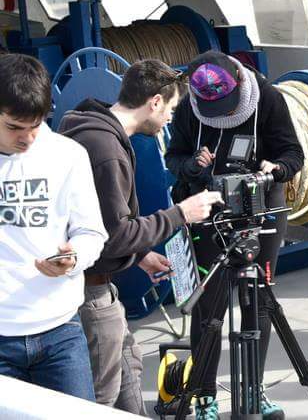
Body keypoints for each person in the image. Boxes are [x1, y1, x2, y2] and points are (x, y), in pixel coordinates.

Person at [58, 59, 222, 414]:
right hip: (91, 292)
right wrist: (181, 214)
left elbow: (99, 224)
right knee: (101, 398)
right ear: (155, 101)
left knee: (129, 369)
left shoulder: (90, 129)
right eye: (172, 109)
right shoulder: (106, 150)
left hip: (99, 287)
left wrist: (140, 255)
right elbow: (113, 235)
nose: (169, 120)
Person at [165, 50, 304, 420]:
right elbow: (173, 157)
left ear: (239, 83)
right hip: (206, 208)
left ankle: (253, 391)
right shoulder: (186, 108)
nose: (223, 115)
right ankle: (205, 396)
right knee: (209, 307)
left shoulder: (268, 98)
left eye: (227, 107)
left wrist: (277, 169)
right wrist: (192, 165)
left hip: (260, 206)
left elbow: (293, 153)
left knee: (258, 302)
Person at [0, 53, 107, 400]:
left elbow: (92, 232)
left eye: (36, 125)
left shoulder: (69, 155)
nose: (27, 138)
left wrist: (74, 258)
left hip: (61, 331)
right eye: (14, 127)